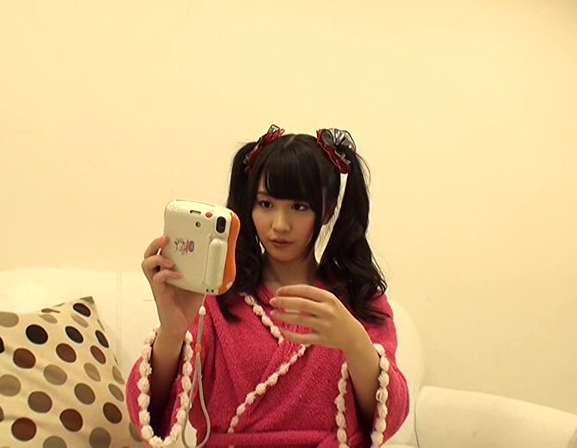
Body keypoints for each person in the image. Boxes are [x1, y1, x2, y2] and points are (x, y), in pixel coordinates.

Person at [126, 125, 410, 447]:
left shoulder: (357, 299)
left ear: (328, 209)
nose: (280, 225)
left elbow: (388, 419)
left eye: (299, 207)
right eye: (265, 204)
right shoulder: (216, 298)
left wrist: (354, 341)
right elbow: (147, 413)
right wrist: (172, 330)